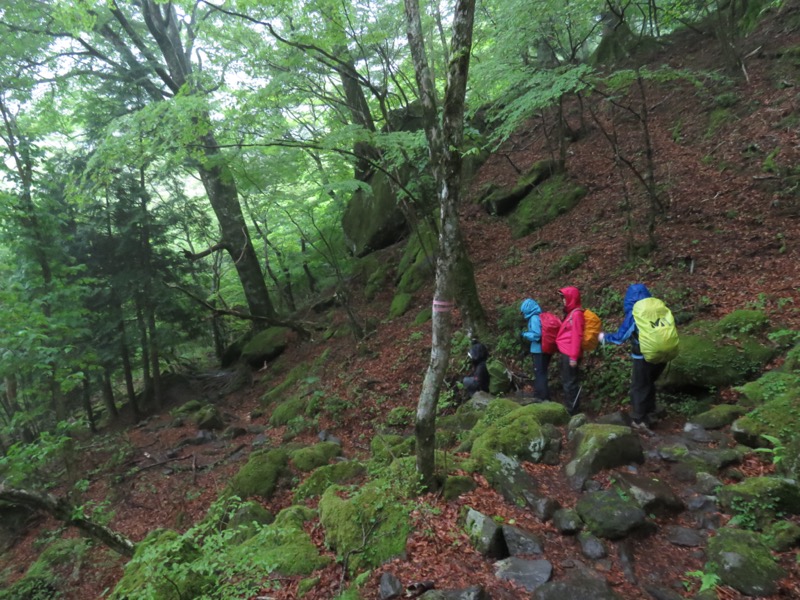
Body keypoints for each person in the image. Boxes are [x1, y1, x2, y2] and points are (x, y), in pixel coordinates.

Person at [599, 283, 665, 433]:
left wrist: (605, 337)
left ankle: (639, 420)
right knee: (649, 383)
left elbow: (621, 337)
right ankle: (651, 413)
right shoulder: (658, 308)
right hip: (662, 354)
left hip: (643, 355)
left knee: (639, 385)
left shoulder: (637, 313)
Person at [556, 286, 584, 415]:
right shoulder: (570, 314)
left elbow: (576, 336)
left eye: (564, 298)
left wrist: (573, 357)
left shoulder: (576, 314)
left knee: (570, 382)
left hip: (570, 353)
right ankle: (571, 407)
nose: (563, 301)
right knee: (567, 381)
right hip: (566, 351)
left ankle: (572, 411)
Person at [520, 298, 552, 400]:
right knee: (542, 372)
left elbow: (537, 335)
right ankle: (543, 395)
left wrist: (524, 334)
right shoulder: (538, 316)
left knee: (540, 373)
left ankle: (542, 397)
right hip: (544, 349)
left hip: (539, 351)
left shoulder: (534, 318)